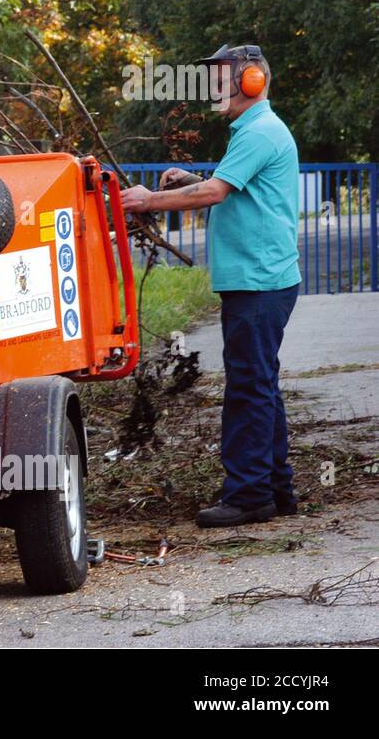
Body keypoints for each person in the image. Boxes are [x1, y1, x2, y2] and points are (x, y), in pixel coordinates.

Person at [119, 45, 301, 527]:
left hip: (258, 283)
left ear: (252, 82)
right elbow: (233, 189)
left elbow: (216, 193)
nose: (213, 88)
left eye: (222, 78)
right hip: (259, 281)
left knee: (248, 388)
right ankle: (277, 489)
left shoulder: (259, 131)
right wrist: (192, 178)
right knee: (260, 384)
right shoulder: (252, 132)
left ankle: (248, 496)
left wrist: (147, 200)